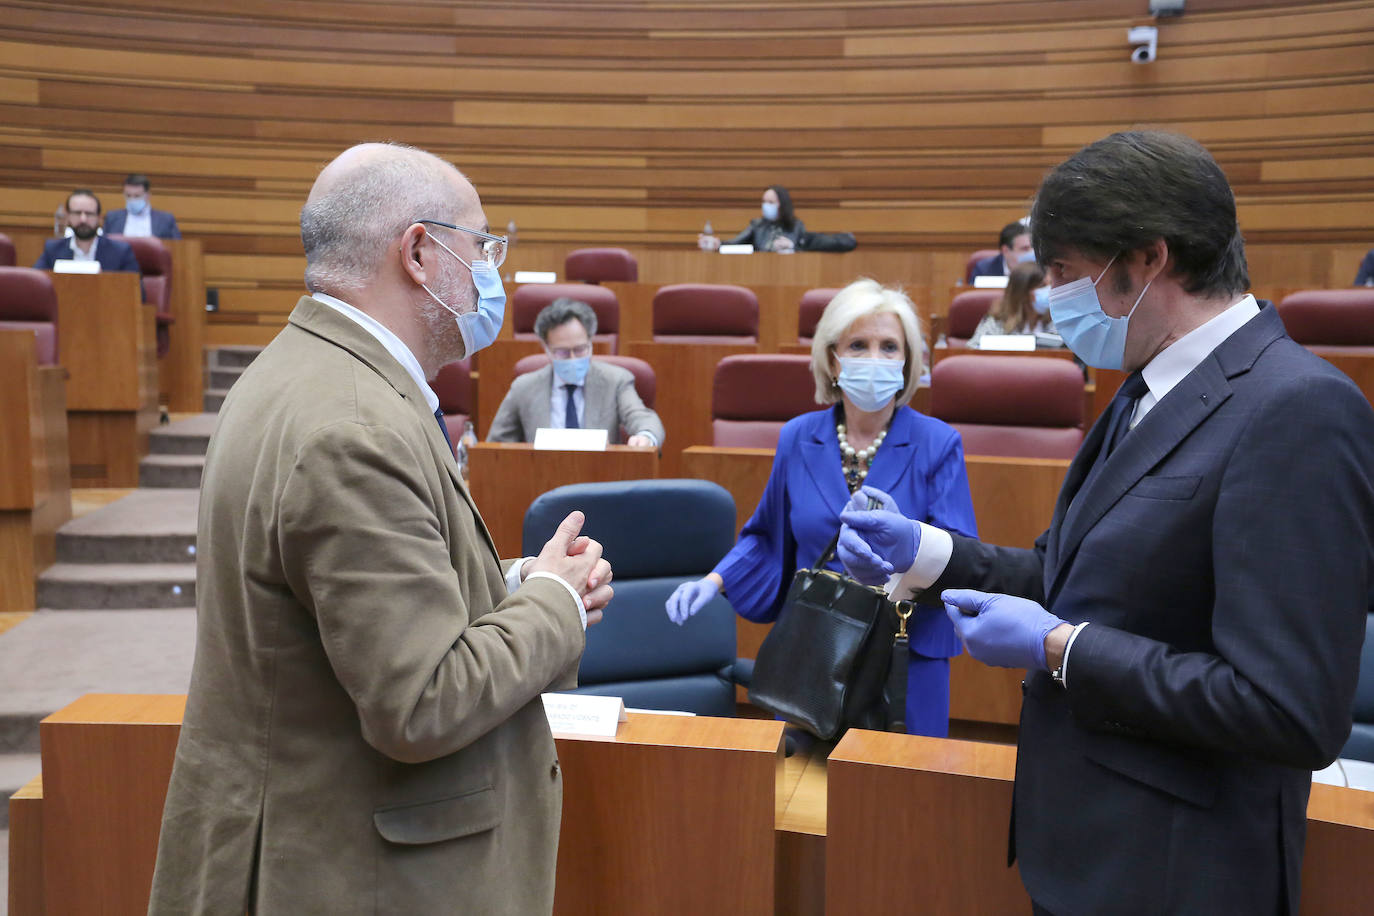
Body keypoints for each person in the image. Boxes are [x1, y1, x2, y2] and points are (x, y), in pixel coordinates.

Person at [837, 130, 1374, 915]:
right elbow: (1070, 576)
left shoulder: (1300, 410)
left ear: (1146, 261)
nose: (1053, 295)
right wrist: (926, 550)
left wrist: (1061, 648)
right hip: (1089, 851)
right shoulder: (1143, 388)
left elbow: (1288, 710)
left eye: (1063, 271)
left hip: (1183, 872)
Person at [149, 142, 613, 915]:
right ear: (422, 252)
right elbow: (421, 700)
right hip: (351, 872)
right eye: (482, 247)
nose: (490, 273)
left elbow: (336, 614)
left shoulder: (299, 369)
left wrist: (508, 586)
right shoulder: (355, 424)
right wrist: (555, 605)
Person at [664, 278, 977, 737]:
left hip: (906, 650)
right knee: (800, 793)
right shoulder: (798, 436)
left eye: (890, 347)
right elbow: (767, 535)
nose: (875, 359)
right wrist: (715, 580)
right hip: (816, 645)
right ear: (832, 359)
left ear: (908, 361)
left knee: (903, 799)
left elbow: (962, 553)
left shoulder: (938, 442)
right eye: (858, 345)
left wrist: (901, 563)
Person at [487, 297, 665, 447]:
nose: (572, 358)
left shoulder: (616, 380)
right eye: (562, 352)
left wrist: (645, 436)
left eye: (580, 349)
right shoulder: (524, 387)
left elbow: (642, 417)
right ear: (546, 349)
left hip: (600, 479)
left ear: (591, 342)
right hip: (540, 479)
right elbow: (497, 443)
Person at [33, 189, 141, 272]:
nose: (83, 219)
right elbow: (37, 286)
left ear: (99, 218)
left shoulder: (121, 252)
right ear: (68, 216)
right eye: (77, 213)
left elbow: (138, 293)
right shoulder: (53, 250)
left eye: (89, 214)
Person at [968, 260, 1054, 348]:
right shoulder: (998, 321)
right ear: (1022, 292)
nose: (1049, 290)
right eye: (1042, 286)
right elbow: (972, 350)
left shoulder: (1055, 320)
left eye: (1051, 284)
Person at [698, 185, 805, 253]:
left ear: (782, 205)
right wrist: (718, 244)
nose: (765, 205)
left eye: (770, 202)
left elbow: (806, 251)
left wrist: (791, 248)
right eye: (764, 202)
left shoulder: (796, 226)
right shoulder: (757, 225)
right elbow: (736, 243)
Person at [103, 173, 182, 239]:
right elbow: (104, 246)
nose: (132, 200)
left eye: (137, 196)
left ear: (148, 195)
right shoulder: (112, 218)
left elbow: (176, 246)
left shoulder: (165, 220)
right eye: (128, 196)